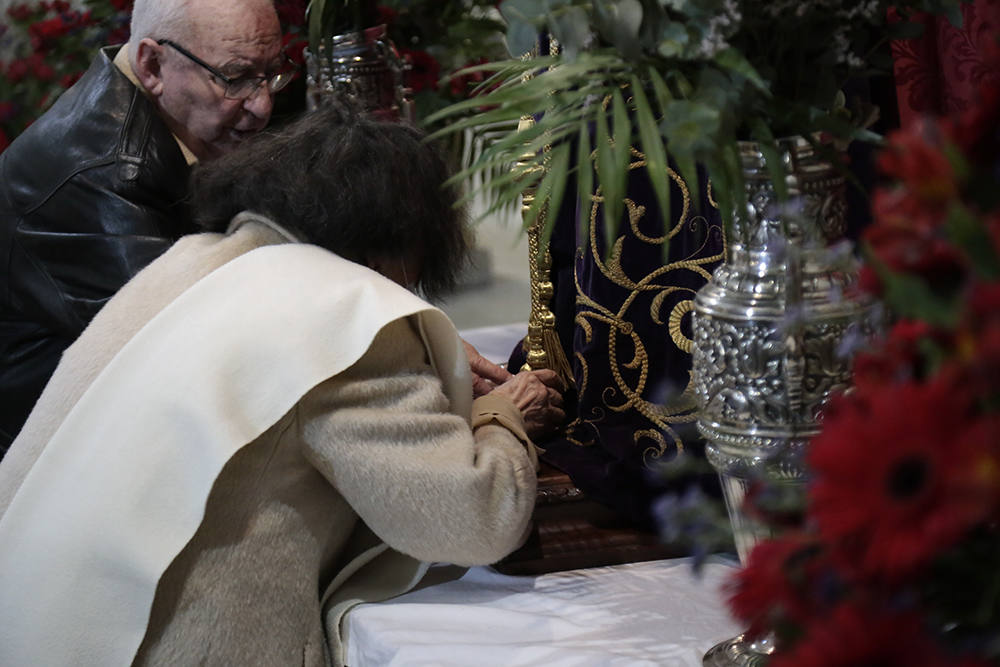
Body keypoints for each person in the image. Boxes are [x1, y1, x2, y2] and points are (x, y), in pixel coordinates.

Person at [0, 104, 565, 666]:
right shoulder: (342, 313)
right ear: (403, 236)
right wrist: (501, 415)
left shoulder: (189, 261)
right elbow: (472, 522)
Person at [0, 0, 290, 454]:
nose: (262, 104)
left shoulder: (172, 109)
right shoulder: (101, 176)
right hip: (47, 465)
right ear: (152, 64)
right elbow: (188, 348)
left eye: (272, 72)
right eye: (235, 78)